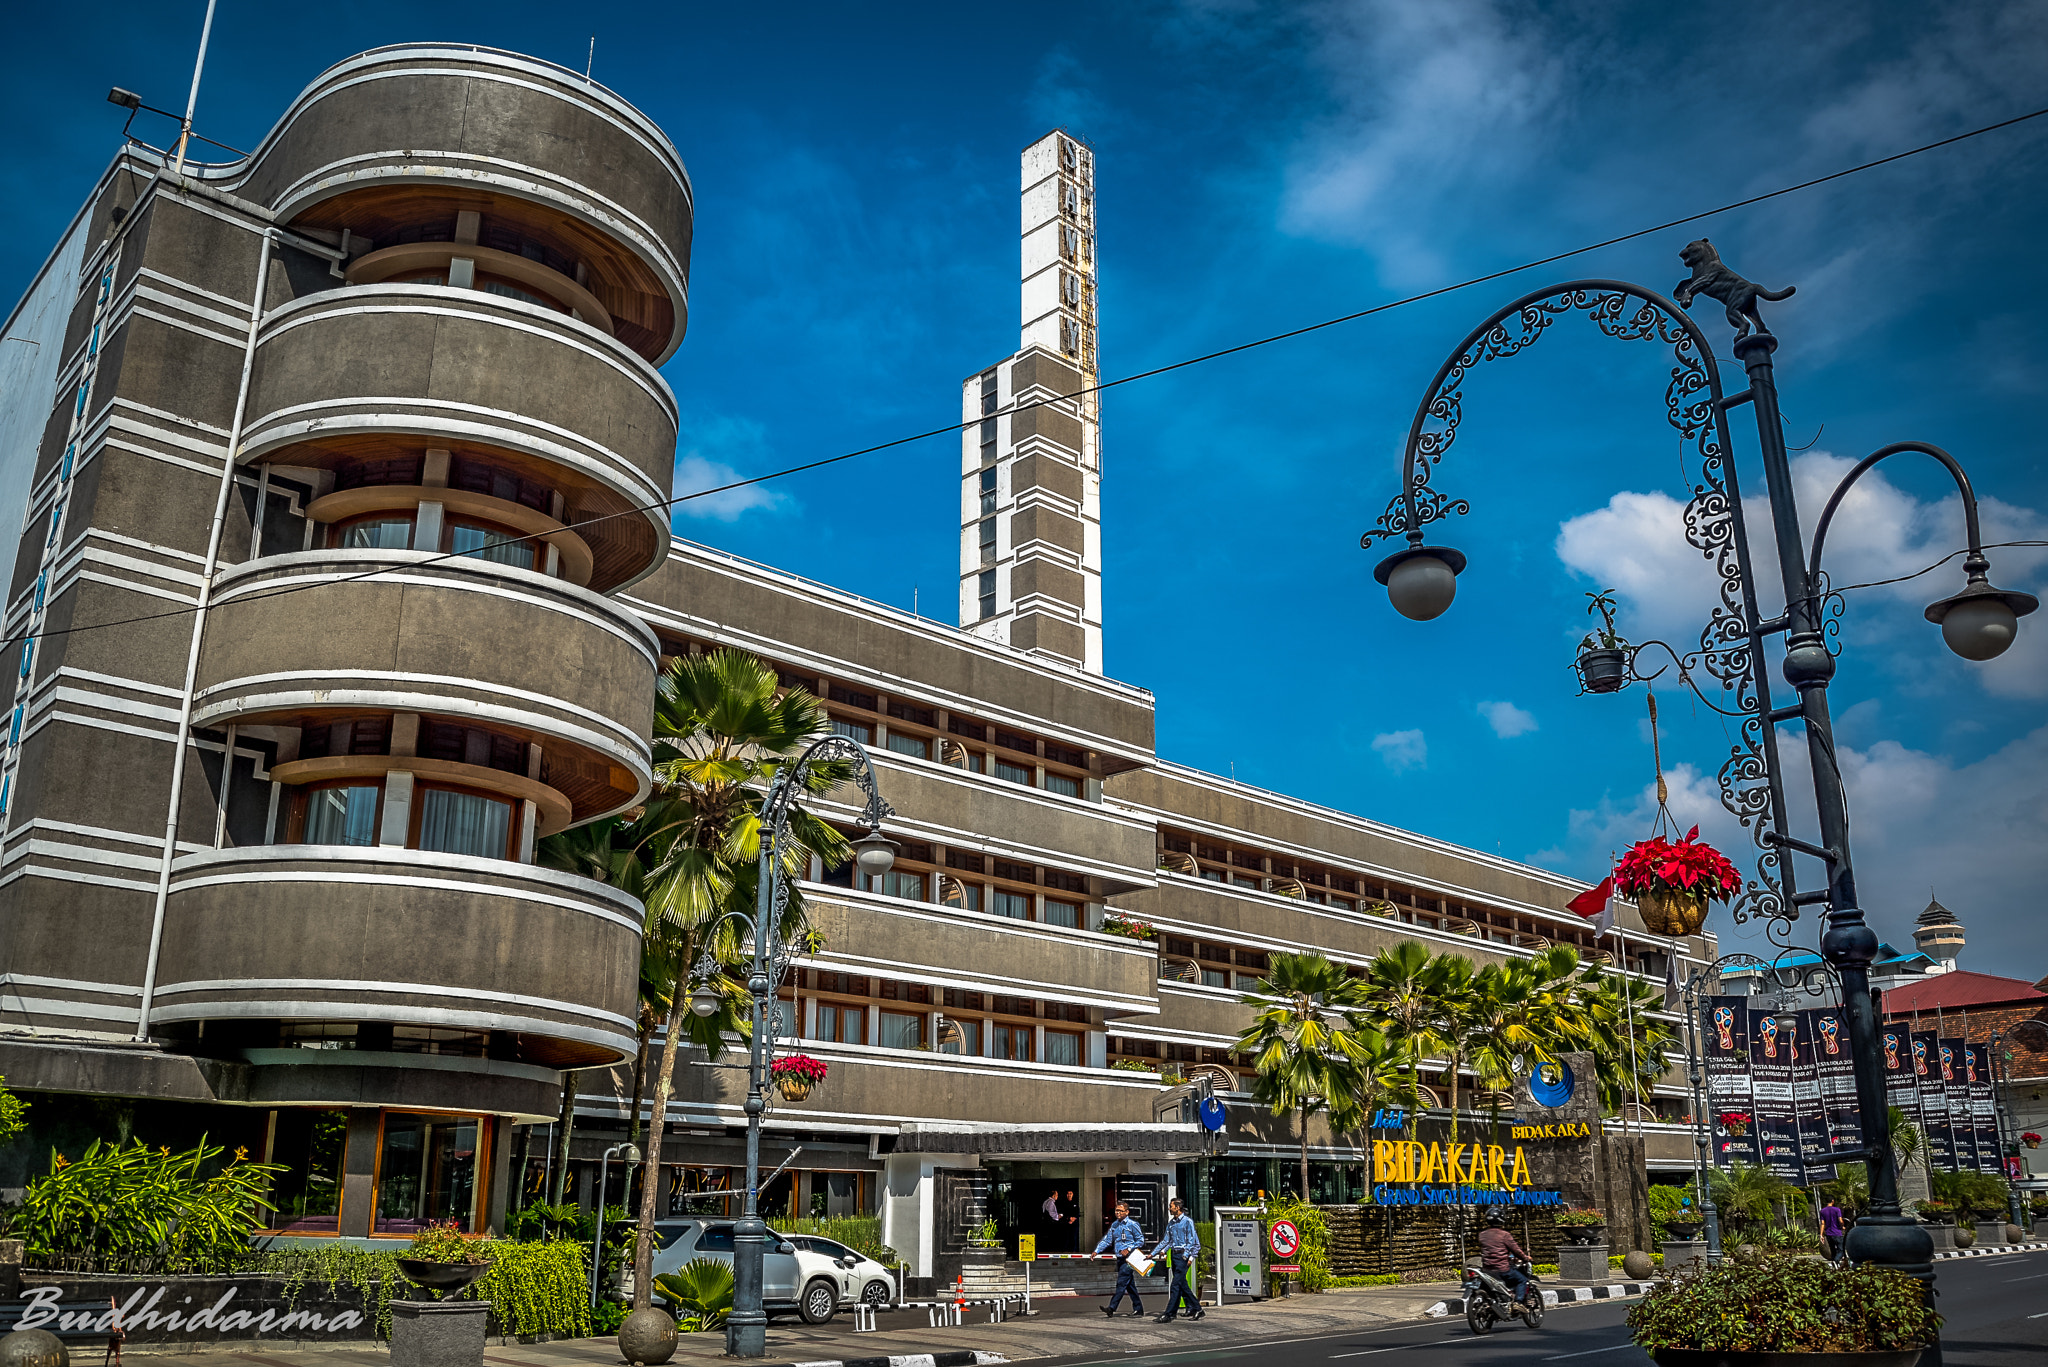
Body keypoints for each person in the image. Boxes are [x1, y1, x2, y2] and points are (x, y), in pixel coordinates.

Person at [1150, 1197, 1205, 1322]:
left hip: (1182, 1256)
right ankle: (1197, 1309)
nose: (1169, 1208)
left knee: (1175, 1285)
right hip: (1174, 1255)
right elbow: (1166, 1240)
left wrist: (1187, 1255)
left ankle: (1169, 1314)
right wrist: (1153, 1253)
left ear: (1178, 1207)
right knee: (1182, 1285)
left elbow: (1192, 1240)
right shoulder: (1172, 1223)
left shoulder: (1187, 1222)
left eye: (1171, 1206)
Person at [1094, 1200, 1148, 1317]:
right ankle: (1138, 1309)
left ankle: (1112, 1308)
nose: (1118, 1213)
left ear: (1127, 1212)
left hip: (1129, 1259)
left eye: (1120, 1211)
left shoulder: (1132, 1225)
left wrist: (1128, 1249)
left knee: (1121, 1283)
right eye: (1116, 1210)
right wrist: (1096, 1250)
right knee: (1129, 1285)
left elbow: (1140, 1240)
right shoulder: (1115, 1225)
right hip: (1120, 1258)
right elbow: (1107, 1240)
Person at [1476, 1210, 1532, 1306]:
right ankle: (1518, 1303)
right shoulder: (1504, 1235)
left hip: (1487, 1269)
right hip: (1502, 1269)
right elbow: (1516, 1250)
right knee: (1522, 1280)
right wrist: (1526, 1258)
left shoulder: (1482, 1235)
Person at [1818, 1198, 1845, 1263]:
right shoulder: (1837, 1210)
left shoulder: (1822, 1211)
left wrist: (1821, 1235)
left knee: (1833, 1251)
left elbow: (1822, 1223)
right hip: (1837, 1233)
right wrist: (1842, 1226)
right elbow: (1840, 1221)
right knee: (1841, 1250)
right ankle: (1836, 1261)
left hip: (1828, 1234)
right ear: (1833, 1201)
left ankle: (1834, 1265)